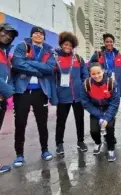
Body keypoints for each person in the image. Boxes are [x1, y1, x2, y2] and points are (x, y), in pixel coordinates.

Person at [12, 26, 57, 167]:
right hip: (22, 91)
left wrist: (29, 62)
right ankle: (19, 155)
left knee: (42, 123)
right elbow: (17, 63)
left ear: (44, 37)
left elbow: (50, 68)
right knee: (20, 123)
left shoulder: (49, 51)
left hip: (40, 92)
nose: (38, 35)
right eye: (35, 33)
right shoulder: (22, 46)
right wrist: (38, 71)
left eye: (41, 34)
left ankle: (45, 150)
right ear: (31, 36)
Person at [54, 32, 89, 155]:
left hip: (78, 97)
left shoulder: (78, 59)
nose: (68, 47)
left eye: (70, 45)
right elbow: (52, 76)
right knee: (61, 121)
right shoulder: (55, 58)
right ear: (62, 44)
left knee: (80, 120)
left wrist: (84, 85)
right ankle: (59, 144)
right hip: (63, 96)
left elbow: (85, 74)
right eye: (65, 44)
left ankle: (80, 141)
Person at [81, 62, 120, 162]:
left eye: (99, 72)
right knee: (94, 131)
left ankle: (111, 149)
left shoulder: (111, 83)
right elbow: (85, 102)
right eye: (93, 74)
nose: (96, 75)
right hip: (95, 110)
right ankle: (98, 143)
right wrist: (99, 115)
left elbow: (114, 103)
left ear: (103, 71)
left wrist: (106, 118)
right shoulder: (86, 84)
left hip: (108, 109)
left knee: (110, 129)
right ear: (90, 74)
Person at [0, 23, 18, 173]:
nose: (6, 37)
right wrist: (8, 91)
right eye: (4, 33)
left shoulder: (5, 53)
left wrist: (9, 89)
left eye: (10, 36)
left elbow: (8, 74)